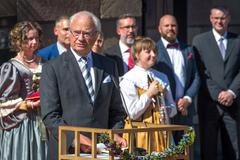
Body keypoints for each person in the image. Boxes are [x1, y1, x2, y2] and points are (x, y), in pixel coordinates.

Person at [40, 11, 127, 160]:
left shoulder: (109, 65)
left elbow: (117, 110)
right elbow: (50, 115)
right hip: (67, 151)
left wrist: (116, 134)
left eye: (86, 33)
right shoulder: (52, 68)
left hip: (103, 151)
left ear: (96, 35)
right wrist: (75, 138)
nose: (80, 38)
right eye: (76, 33)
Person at [192, 6, 240, 160]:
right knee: (208, 150)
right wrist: (219, 94)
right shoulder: (199, 41)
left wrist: (231, 92)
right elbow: (200, 71)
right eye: (216, 18)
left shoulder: (238, 40)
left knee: (234, 150)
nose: (220, 21)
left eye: (223, 18)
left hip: (233, 104)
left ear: (229, 19)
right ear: (211, 19)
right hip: (209, 104)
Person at [120, 36, 177, 152]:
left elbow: (173, 108)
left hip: (162, 133)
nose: (154, 55)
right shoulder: (128, 79)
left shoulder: (162, 77)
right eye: (148, 52)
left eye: (155, 51)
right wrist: (149, 94)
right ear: (137, 55)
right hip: (140, 133)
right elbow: (132, 113)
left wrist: (164, 110)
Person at [0, 21, 47, 160]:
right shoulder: (10, 67)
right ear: (19, 41)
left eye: (36, 38)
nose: (34, 42)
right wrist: (31, 104)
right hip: (22, 123)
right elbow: (4, 102)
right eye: (29, 39)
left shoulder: (44, 62)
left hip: (43, 119)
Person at [154, 14, 200, 129]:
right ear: (159, 29)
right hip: (163, 110)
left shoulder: (188, 49)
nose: (170, 28)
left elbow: (196, 76)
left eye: (173, 25)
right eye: (166, 25)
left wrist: (187, 98)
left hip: (185, 109)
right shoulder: (153, 50)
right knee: (167, 146)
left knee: (186, 146)